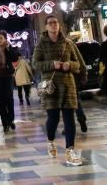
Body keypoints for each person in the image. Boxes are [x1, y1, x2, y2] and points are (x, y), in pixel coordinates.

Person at [32, 15, 87, 166]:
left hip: (68, 85)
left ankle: (70, 151)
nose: (53, 25)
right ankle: (50, 141)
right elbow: (35, 64)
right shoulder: (41, 44)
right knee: (54, 119)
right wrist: (52, 64)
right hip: (51, 87)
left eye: (55, 22)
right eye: (50, 23)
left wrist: (70, 65)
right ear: (46, 27)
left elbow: (79, 64)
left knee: (69, 119)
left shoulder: (68, 43)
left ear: (59, 25)